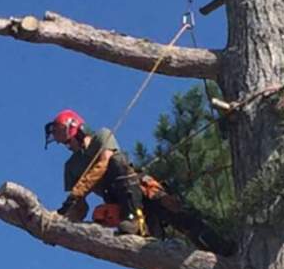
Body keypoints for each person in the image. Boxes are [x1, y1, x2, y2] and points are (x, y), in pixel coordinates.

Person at [45, 109, 235, 255]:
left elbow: (104, 164)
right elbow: (80, 209)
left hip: (138, 188)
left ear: (77, 130)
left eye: (66, 139)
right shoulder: (72, 166)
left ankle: (222, 249)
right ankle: (133, 221)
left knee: (181, 215)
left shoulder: (101, 136)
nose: (66, 145)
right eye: (63, 142)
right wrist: (61, 227)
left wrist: (77, 192)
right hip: (116, 200)